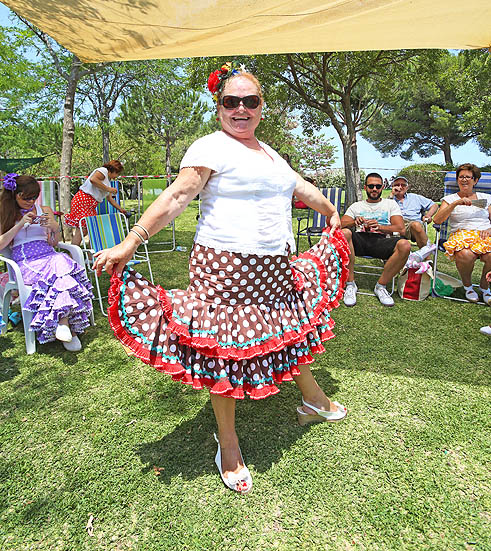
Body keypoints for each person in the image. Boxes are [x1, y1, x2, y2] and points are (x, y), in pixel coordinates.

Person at [92, 62, 350, 494]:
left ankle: (312, 399)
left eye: (250, 101)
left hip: (275, 269)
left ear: (262, 107)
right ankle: (227, 443)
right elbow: (177, 196)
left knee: (289, 333)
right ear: (219, 107)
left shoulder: (269, 153)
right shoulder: (210, 146)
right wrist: (132, 240)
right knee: (225, 352)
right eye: (232, 102)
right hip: (224, 271)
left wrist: (330, 211)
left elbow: (299, 187)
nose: (241, 109)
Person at [0, 174, 93, 351]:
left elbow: (53, 243)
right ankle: (70, 331)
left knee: (60, 262)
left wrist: (54, 227)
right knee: (59, 270)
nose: (31, 201)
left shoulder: (45, 209)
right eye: (26, 197)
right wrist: (19, 225)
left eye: (34, 197)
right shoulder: (5, 213)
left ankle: (63, 324)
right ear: (14, 195)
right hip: (26, 261)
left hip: (49, 255)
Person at [341, 172, 411, 307]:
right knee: (344, 233)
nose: (374, 189)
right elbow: (341, 224)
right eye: (371, 186)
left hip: (381, 240)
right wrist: (355, 221)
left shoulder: (390, 204)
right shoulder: (357, 206)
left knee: (405, 245)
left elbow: (401, 228)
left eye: (378, 186)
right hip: (360, 240)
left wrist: (380, 226)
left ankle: (381, 286)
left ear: (382, 187)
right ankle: (350, 285)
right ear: (365, 187)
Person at [432, 163, 491, 304]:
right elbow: (438, 220)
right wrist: (455, 203)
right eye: (461, 177)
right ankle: (468, 286)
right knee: (466, 254)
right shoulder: (450, 199)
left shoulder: (486, 198)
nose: (464, 180)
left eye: (468, 177)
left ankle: (484, 286)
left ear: (475, 180)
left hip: (484, 234)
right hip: (461, 234)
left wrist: (489, 230)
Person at [64, 159, 128, 246]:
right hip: (83, 201)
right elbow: (93, 179)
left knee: (93, 230)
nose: (117, 176)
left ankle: (91, 256)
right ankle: (72, 256)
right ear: (114, 170)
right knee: (82, 230)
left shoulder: (107, 182)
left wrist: (121, 209)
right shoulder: (103, 171)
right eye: (117, 173)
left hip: (91, 205)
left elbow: (110, 199)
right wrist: (109, 189)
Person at [390, 175, 438, 254]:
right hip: (396, 225)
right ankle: (427, 248)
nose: (400, 187)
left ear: (407, 187)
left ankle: (427, 259)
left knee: (415, 225)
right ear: (392, 187)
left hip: (414, 227)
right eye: (397, 185)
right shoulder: (390, 200)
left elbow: (434, 205)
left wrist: (428, 215)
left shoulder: (415, 198)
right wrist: (392, 195)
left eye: (403, 185)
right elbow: (384, 212)